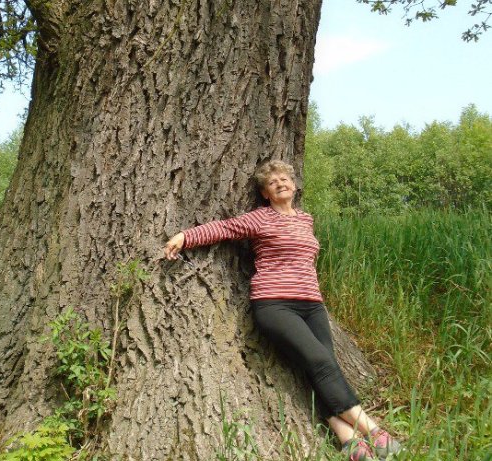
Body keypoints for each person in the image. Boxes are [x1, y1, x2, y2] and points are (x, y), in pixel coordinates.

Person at [163, 160, 402, 461]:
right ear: (265, 193)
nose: (280, 183)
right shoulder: (260, 219)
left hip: (312, 305)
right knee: (319, 361)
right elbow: (224, 228)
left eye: (284, 178)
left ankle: (348, 440)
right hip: (275, 304)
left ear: (294, 184)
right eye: (272, 181)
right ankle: (373, 431)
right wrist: (185, 237)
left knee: (321, 368)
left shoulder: (306, 220)